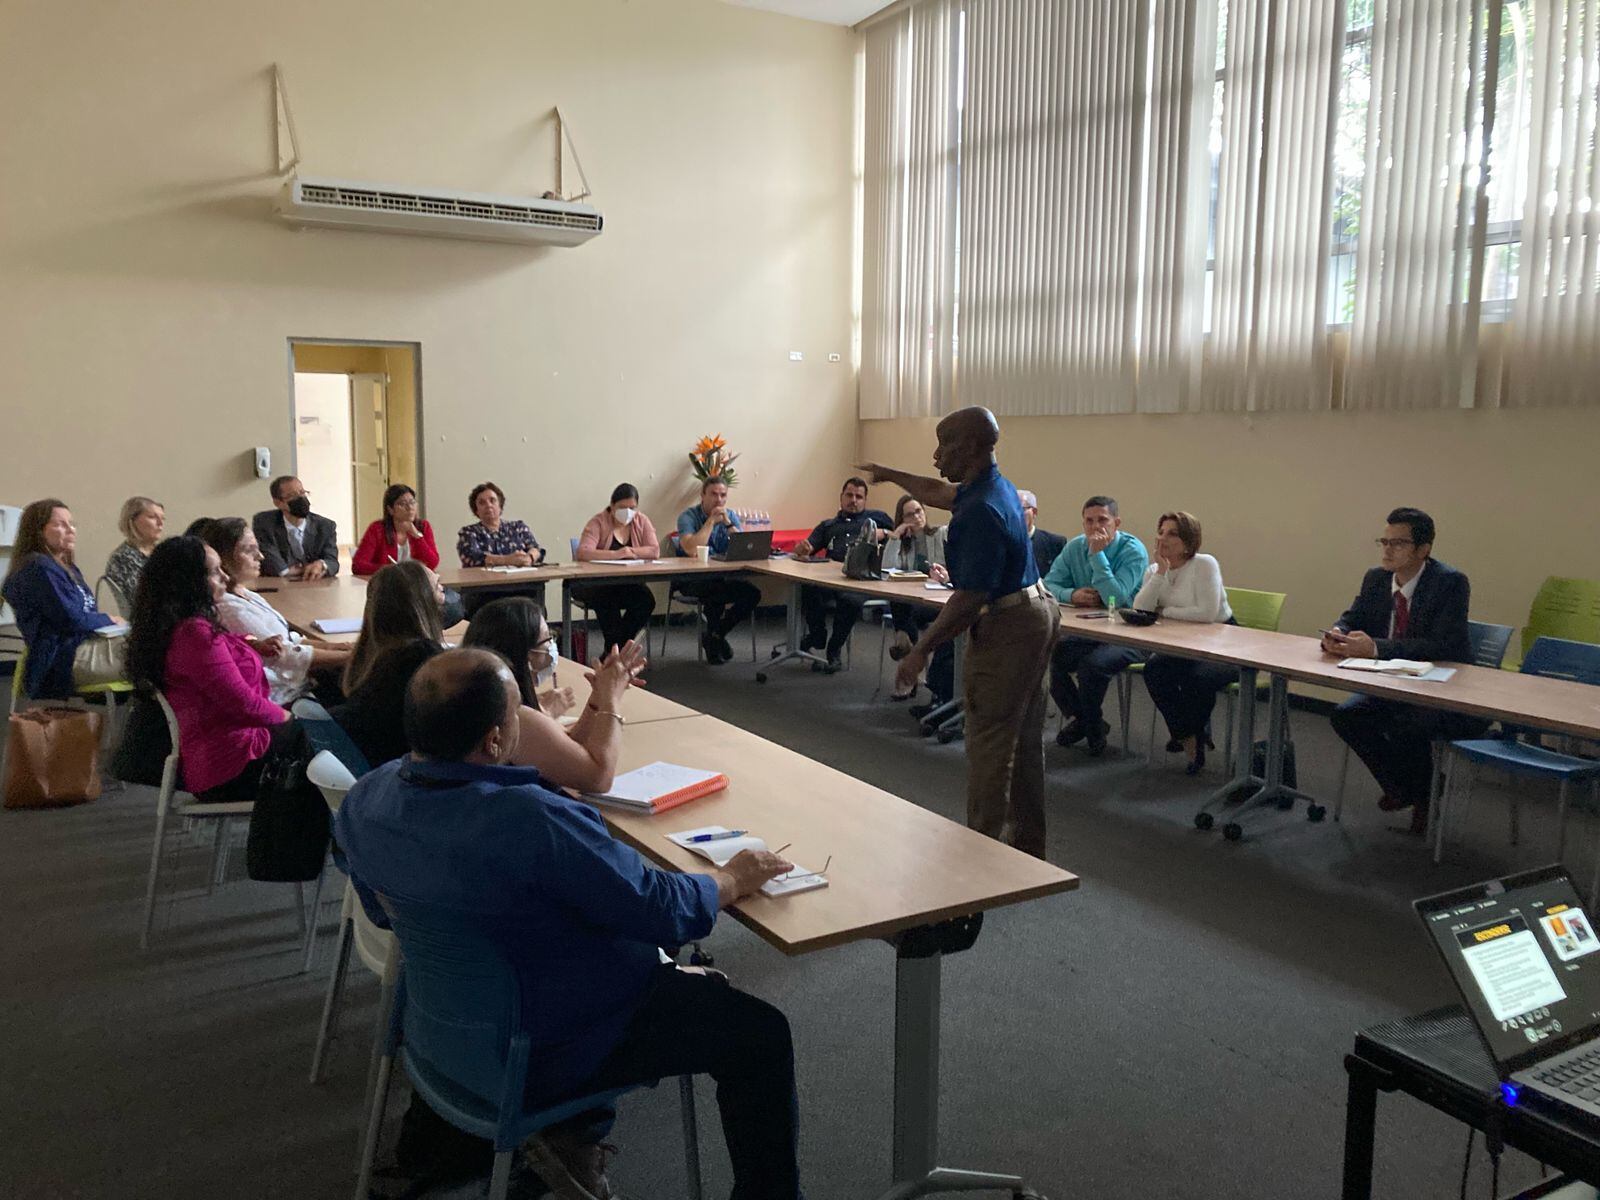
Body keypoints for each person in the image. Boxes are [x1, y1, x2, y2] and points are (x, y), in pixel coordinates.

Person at [335, 648, 802, 1200]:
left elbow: (377, 910)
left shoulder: (366, 798)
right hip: (548, 1041)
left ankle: (564, 1139)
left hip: (440, 1033)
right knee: (759, 1034)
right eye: (516, 713)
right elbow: (659, 909)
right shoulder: (529, 820)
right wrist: (731, 879)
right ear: (493, 740)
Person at [859, 406, 1061, 858]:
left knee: (990, 741)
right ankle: (1028, 850)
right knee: (1023, 737)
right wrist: (889, 474)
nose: (934, 456)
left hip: (1010, 624)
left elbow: (968, 599)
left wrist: (921, 651)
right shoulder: (993, 485)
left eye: (943, 444)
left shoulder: (980, 511)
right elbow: (939, 491)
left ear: (969, 448)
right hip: (1036, 611)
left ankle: (981, 858)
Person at [1322, 507, 1479, 835]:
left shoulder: (1449, 583)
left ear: (1424, 550)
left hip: (1439, 688)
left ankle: (1422, 797)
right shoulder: (1376, 578)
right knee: (1346, 715)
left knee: (1410, 725)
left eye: (1399, 543)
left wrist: (1376, 648)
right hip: (1390, 683)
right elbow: (1354, 617)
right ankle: (1405, 788)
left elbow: (1445, 646)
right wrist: (1338, 633)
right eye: (1384, 541)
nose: (1387, 550)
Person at [124, 537, 296, 802]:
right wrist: (290, 719)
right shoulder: (194, 634)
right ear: (189, 582)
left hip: (218, 753)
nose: (225, 578)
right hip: (231, 763)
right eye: (215, 572)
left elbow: (224, 646)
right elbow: (243, 705)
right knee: (324, 748)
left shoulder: (174, 624)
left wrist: (253, 644)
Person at [462, 597, 647, 793]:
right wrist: (611, 697)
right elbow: (598, 779)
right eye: (547, 638)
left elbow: (565, 745)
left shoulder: (489, 697)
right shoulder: (517, 717)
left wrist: (599, 696)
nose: (552, 644)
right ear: (527, 655)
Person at [1042, 495, 1149, 756]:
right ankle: (1088, 721)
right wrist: (1072, 595)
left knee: (1093, 666)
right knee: (1048, 654)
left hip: (1129, 635)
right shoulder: (1074, 547)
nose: (1095, 527)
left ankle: (1089, 727)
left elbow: (1119, 596)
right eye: (1089, 521)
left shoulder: (1132, 551)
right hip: (1091, 631)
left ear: (1117, 522)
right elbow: (1048, 584)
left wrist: (1098, 556)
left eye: (1102, 520)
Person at [205, 518, 352, 705]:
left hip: (297, 686)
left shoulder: (245, 593)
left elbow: (288, 638)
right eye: (249, 550)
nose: (260, 556)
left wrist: (339, 646)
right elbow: (287, 656)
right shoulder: (228, 608)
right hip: (283, 698)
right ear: (223, 557)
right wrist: (351, 656)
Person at [1134, 512, 1235, 774]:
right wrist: (1160, 573)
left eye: (1172, 533)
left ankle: (1192, 738)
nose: (1162, 538)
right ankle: (1189, 736)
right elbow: (1140, 608)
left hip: (1223, 642)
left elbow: (1207, 614)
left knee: (1197, 679)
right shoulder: (1155, 569)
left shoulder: (1204, 564)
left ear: (1188, 542)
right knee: (1154, 670)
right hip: (1181, 642)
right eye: (1161, 532)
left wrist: (1164, 612)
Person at [2, 499, 127, 698]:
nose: (71, 530)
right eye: (60, 524)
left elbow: (84, 615)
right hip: (60, 660)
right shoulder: (38, 568)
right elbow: (72, 619)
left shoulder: (66, 567)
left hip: (80, 648)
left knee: (148, 651)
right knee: (148, 660)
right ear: (38, 531)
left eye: (72, 524)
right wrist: (108, 619)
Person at [332, 561, 448, 767]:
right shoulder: (422, 656)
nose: (446, 593)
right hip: (402, 770)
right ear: (421, 600)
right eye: (438, 586)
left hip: (374, 768)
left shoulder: (370, 652)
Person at [791, 477, 893, 673]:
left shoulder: (876, 519)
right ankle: (817, 635)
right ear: (841, 497)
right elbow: (808, 547)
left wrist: (885, 534)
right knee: (807, 586)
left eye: (859, 496)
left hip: (862, 581)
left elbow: (900, 533)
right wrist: (803, 548)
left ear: (865, 500)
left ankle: (834, 649)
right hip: (830, 579)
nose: (853, 500)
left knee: (850, 600)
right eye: (849, 495)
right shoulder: (828, 525)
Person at [673, 477, 763, 664]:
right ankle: (715, 640)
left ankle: (716, 634)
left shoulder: (729, 515)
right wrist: (710, 523)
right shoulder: (688, 517)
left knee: (752, 594)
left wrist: (729, 524)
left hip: (721, 577)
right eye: (714, 494)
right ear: (702, 496)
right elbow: (691, 549)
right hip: (691, 579)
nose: (719, 500)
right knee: (715, 591)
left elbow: (744, 547)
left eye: (723, 495)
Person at [571, 483, 660, 655]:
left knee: (646, 600)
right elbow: (583, 552)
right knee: (606, 599)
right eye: (622, 507)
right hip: (594, 584)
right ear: (612, 506)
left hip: (626, 583)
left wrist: (631, 551)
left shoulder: (641, 520)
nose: (628, 512)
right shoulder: (598, 521)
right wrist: (616, 554)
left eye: (632, 508)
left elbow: (654, 550)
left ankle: (613, 651)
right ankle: (615, 651)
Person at [880, 494, 950, 697]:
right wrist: (895, 536)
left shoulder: (941, 534)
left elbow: (955, 568)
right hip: (913, 601)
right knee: (899, 600)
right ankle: (910, 655)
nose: (916, 517)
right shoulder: (904, 543)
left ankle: (905, 650)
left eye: (918, 511)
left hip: (939, 602)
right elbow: (886, 568)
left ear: (924, 512)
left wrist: (944, 576)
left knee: (902, 608)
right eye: (909, 515)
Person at [252, 475, 340, 580]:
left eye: (302, 492)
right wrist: (290, 571)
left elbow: (332, 562)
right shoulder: (264, 523)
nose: (301, 498)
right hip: (278, 586)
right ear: (278, 503)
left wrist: (322, 565)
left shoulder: (325, 526)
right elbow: (270, 559)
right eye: (292, 495)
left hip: (314, 585)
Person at [352, 484, 440, 576]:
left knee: (449, 591)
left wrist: (417, 536)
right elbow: (358, 565)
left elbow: (433, 563)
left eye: (412, 502)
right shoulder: (377, 529)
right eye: (402, 504)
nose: (409, 508)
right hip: (388, 584)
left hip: (419, 585)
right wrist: (391, 570)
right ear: (390, 510)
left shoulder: (423, 526)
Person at [456, 481, 544, 568]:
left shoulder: (518, 527)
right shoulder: (468, 532)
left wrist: (529, 558)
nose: (488, 505)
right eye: (482, 503)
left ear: (500, 505)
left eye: (492, 500)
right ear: (476, 510)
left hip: (523, 579)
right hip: (486, 581)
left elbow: (535, 548)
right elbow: (472, 557)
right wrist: (508, 560)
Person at [103, 495, 165, 611]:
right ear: (132, 520)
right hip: (147, 621)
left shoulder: (164, 553)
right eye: (152, 517)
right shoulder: (122, 558)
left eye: (163, 518)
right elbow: (141, 599)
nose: (160, 523)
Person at [1017, 489, 1068, 581]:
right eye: (1011, 510)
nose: (1016, 514)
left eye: (1021, 509)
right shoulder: (1000, 544)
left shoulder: (1055, 544)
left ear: (1034, 512)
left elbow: (1063, 580)